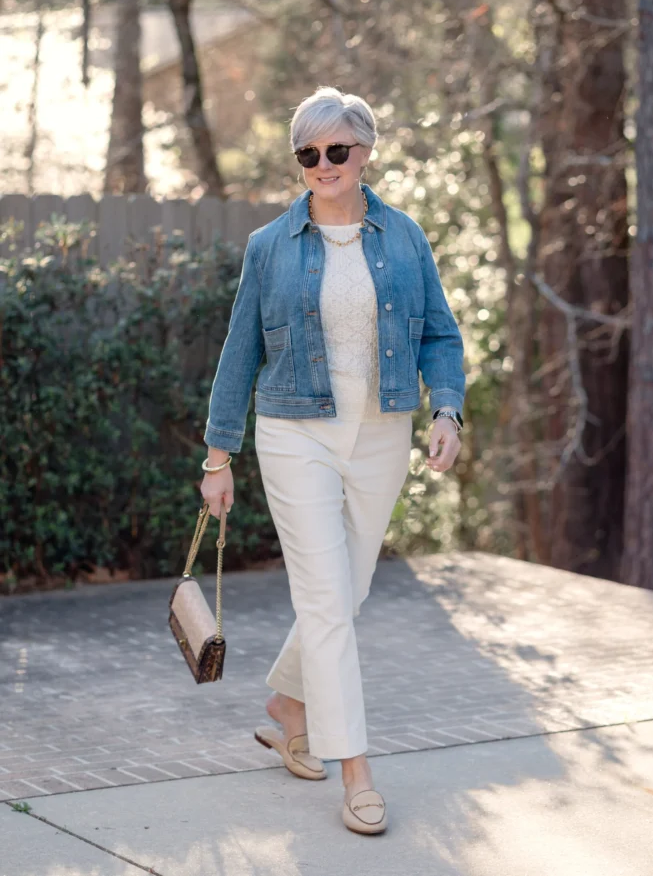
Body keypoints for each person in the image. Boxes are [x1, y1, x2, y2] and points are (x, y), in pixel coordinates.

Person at [200, 86, 466, 835]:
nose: (323, 163)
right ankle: (355, 770)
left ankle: (287, 704)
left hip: (381, 432)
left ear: (365, 151)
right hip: (296, 432)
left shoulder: (405, 238)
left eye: (337, 149)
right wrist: (218, 455)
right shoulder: (270, 246)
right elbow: (239, 352)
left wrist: (446, 409)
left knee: (348, 591)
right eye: (308, 152)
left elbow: (439, 334)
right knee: (325, 603)